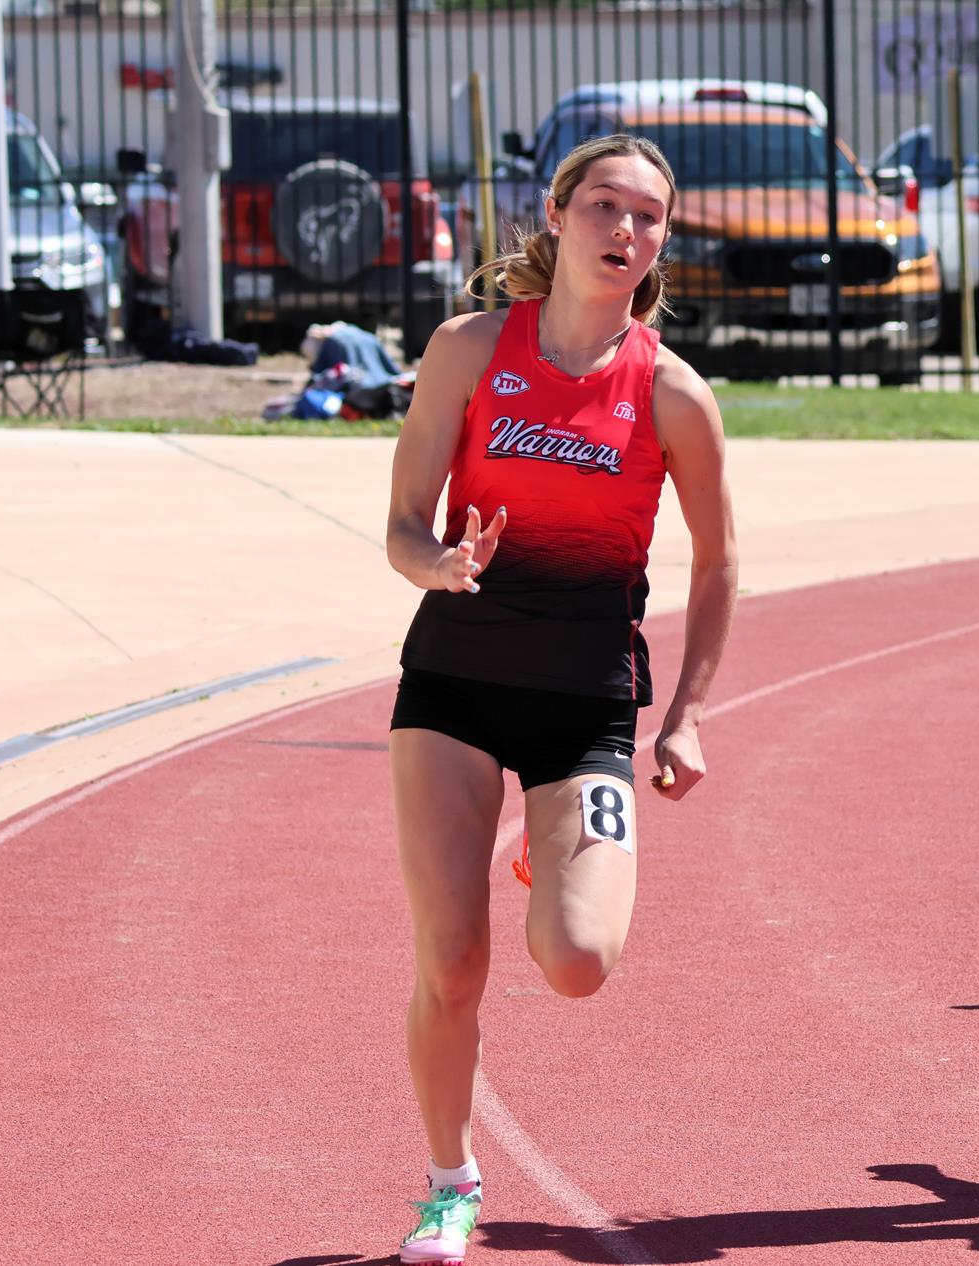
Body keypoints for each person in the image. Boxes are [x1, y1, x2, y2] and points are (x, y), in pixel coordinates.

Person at [383, 134, 737, 1263]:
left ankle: (553, 840)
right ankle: (450, 1181)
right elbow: (400, 524)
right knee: (451, 960)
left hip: (584, 700)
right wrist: (433, 563)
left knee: (577, 962)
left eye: (645, 216)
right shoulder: (470, 348)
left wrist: (683, 713)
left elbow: (718, 563)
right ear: (556, 215)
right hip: (452, 681)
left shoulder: (674, 395)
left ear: (660, 242)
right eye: (601, 206)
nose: (621, 230)